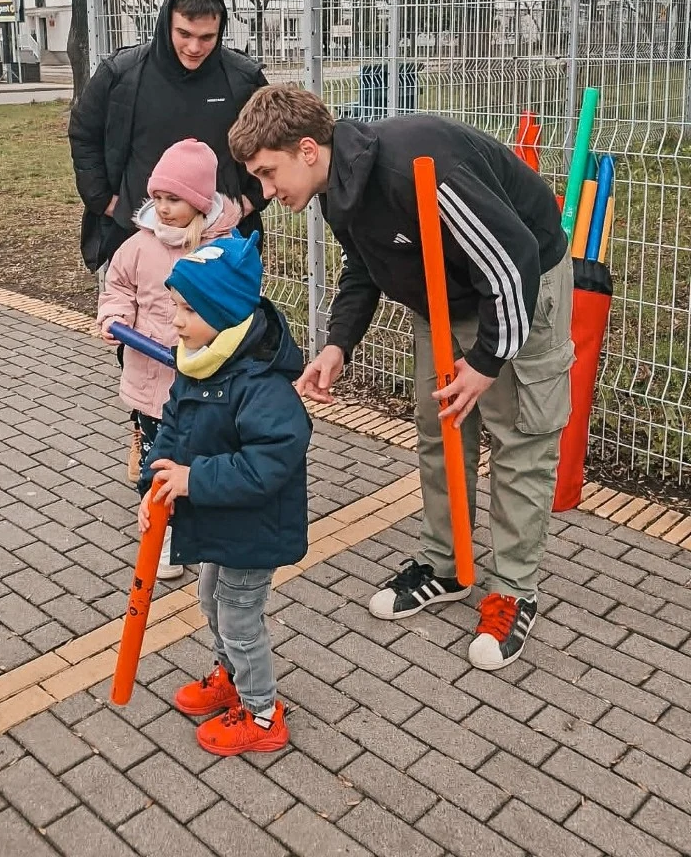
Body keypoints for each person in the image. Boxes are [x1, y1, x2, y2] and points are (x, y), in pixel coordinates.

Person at [228, 85, 575, 672]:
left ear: (306, 149)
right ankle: (448, 568)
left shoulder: (419, 166)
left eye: (267, 173)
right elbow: (364, 266)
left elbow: (513, 257)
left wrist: (488, 363)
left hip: (520, 289)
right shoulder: (338, 189)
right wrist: (338, 344)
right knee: (441, 432)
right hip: (443, 302)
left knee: (519, 440)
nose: (264, 192)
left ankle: (514, 591)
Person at [69, 0, 270, 479]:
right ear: (166, 24)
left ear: (221, 29)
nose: (195, 47)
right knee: (146, 343)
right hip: (142, 239)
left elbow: (273, 138)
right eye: (184, 34)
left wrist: (250, 200)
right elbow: (83, 132)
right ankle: (147, 428)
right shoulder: (124, 73)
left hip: (218, 243)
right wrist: (105, 199)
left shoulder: (241, 78)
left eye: (207, 37)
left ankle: (209, 441)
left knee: (219, 345)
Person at [138, 232, 311, 754]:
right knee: (210, 601)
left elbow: (270, 462)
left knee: (238, 617)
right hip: (222, 521)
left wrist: (195, 480)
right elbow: (169, 428)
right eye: (176, 306)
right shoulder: (199, 361)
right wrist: (154, 487)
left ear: (225, 314)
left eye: (188, 310)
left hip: (254, 529)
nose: (176, 321)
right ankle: (231, 676)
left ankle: (261, 715)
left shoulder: (262, 385)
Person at [97, 139, 241, 581]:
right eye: (157, 198)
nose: (162, 208)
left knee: (197, 457)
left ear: (199, 202)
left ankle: (200, 525)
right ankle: (161, 535)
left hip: (203, 380)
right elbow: (117, 285)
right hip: (151, 376)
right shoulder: (139, 246)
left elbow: (239, 304)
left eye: (174, 199)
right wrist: (116, 316)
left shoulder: (221, 248)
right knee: (156, 460)